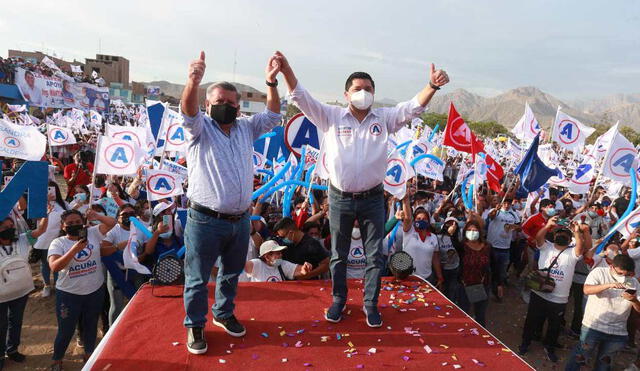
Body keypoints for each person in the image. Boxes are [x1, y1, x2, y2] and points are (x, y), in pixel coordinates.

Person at [278, 50, 449, 327]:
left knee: (374, 255)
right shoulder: (330, 116)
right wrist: (286, 70)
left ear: (374, 93)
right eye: (357, 89)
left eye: (368, 89)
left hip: (372, 198)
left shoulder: (383, 119)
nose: (363, 93)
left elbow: (412, 108)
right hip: (340, 197)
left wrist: (432, 86)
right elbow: (301, 98)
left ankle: (370, 304)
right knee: (339, 255)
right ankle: (339, 300)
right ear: (346, 94)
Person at [180, 51, 282, 354]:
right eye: (219, 102)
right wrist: (193, 81)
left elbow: (274, 115)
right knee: (198, 279)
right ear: (208, 104)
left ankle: (223, 314)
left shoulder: (245, 128)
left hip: (239, 220)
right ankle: (196, 325)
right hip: (205, 221)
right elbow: (187, 110)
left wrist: (271, 82)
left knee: (230, 273)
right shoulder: (199, 130)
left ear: (238, 107)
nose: (226, 106)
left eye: (231, 103)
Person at [48, 209, 116, 370]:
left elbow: (112, 223)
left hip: (94, 291)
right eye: (70, 224)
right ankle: (57, 359)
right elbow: (55, 267)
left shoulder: (92, 233)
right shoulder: (58, 243)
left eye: (77, 222)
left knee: (91, 325)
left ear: (83, 222)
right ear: (63, 226)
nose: (74, 226)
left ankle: (89, 354)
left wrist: (97, 216)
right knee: (66, 330)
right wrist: (74, 250)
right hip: (69, 295)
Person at [519, 219, 590, 363]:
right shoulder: (547, 247)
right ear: (554, 236)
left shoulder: (572, 252)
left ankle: (549, 346)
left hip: (559, 298)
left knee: (554, 325)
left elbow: (581, 246)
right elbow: (539, 238)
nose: (561, 236)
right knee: (531, 320)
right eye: (559, 233)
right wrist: (548, 225)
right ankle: (525, 343)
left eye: (565, 234)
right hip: (539, 293)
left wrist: (576, 231)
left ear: (570, 240)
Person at [565, 255, 640, 371]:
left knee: (604, 364)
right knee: (579, 357)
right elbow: (587, 290)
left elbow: (638, 309)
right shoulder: (599, 272)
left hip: (617, 333)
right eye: (620, 273)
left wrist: (634, 300)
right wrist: (609, 285)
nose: (624, 277)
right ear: (611, 267)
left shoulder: (634, 282)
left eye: (627, 274)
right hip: (593, 327)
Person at [0, 213, 48, 369]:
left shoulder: (22, 238)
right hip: (1, 294)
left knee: (16, 321)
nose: (10, 228)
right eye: (5, 227)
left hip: (21, 290)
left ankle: (12, 349)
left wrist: (45, 214)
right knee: (1, 324)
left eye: (11, 225)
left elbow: (41, 230)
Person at [99, 204, 137, 326]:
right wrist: (117, 248)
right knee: (116, 305)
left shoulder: (140, 228)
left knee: (137, 302)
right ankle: (111, 332)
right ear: (118, 217)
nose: (128, 217)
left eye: (132, 214)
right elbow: (102, 250)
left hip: (136, 271)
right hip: (117, 273)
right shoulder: (113, 230)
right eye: (124, 214)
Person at [401, 197, 444, 286]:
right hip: (409, 277)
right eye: (418, 219)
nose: (421, 221)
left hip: (428, 278)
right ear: (414, 220)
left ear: (428, 221)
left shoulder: (433, 237)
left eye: (424, 219)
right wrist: (405, 198)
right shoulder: (409, 232)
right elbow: (407, 218)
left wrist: (440, 276)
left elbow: (435, 259)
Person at [486, 198, 521, 301]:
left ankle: (497, 290)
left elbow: (519, 227)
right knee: (491, 270)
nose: (506, 205)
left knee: (502, 271)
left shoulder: (513, 214)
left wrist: (514, 227)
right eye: (504, 203)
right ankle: (490, 289)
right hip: (492, 247)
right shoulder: (495, 211)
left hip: (505, 248)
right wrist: (495, 210)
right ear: (501, 204)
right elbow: (490, 216)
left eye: (508, 203)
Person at [458, 220, 491, 327]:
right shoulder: (462, 247)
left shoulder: (487, 246)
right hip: (464, 285)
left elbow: (494, 265)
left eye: (475, 230)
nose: (472, 232)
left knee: (480, 314)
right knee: (464, 313)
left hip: (482, 285)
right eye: (469, 230)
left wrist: (498, 284)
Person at [244, 240, 312, 282]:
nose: (281, 255)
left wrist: (304, 269)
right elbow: (241, 266)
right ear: (267, 257)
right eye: (278, 253)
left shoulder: (282, 264)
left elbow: (299, 270)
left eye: (280, 252)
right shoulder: (257, 264)